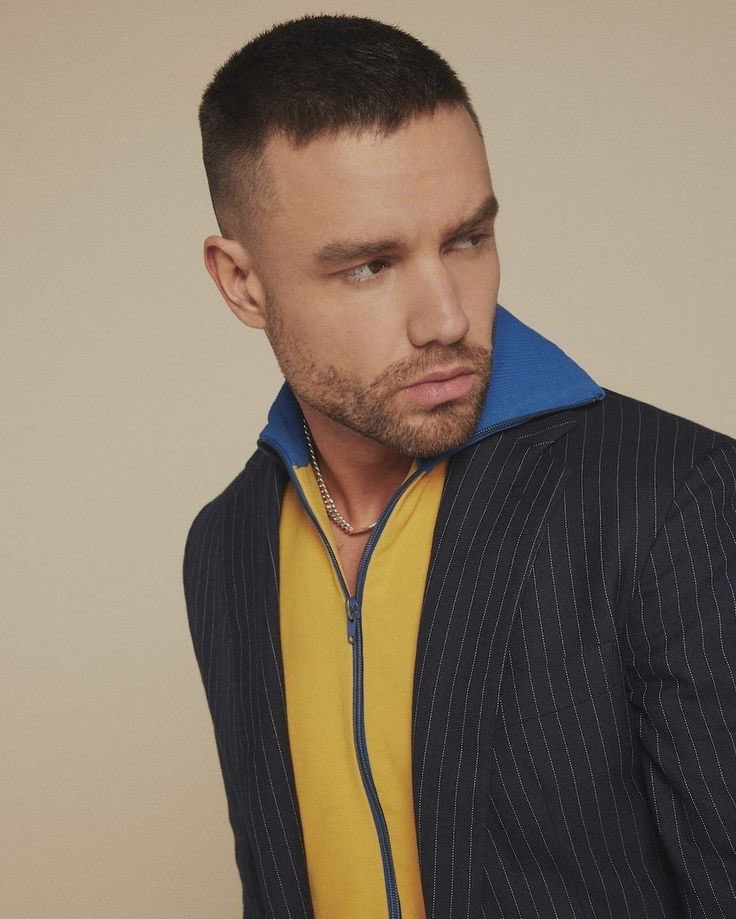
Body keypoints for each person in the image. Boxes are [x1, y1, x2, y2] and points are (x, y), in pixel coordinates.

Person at [183, 14, 736, 919]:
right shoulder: (227, 544)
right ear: (243, 283)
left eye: (467, 240)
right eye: (370, 266)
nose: (445, 318)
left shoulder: (678, 501)